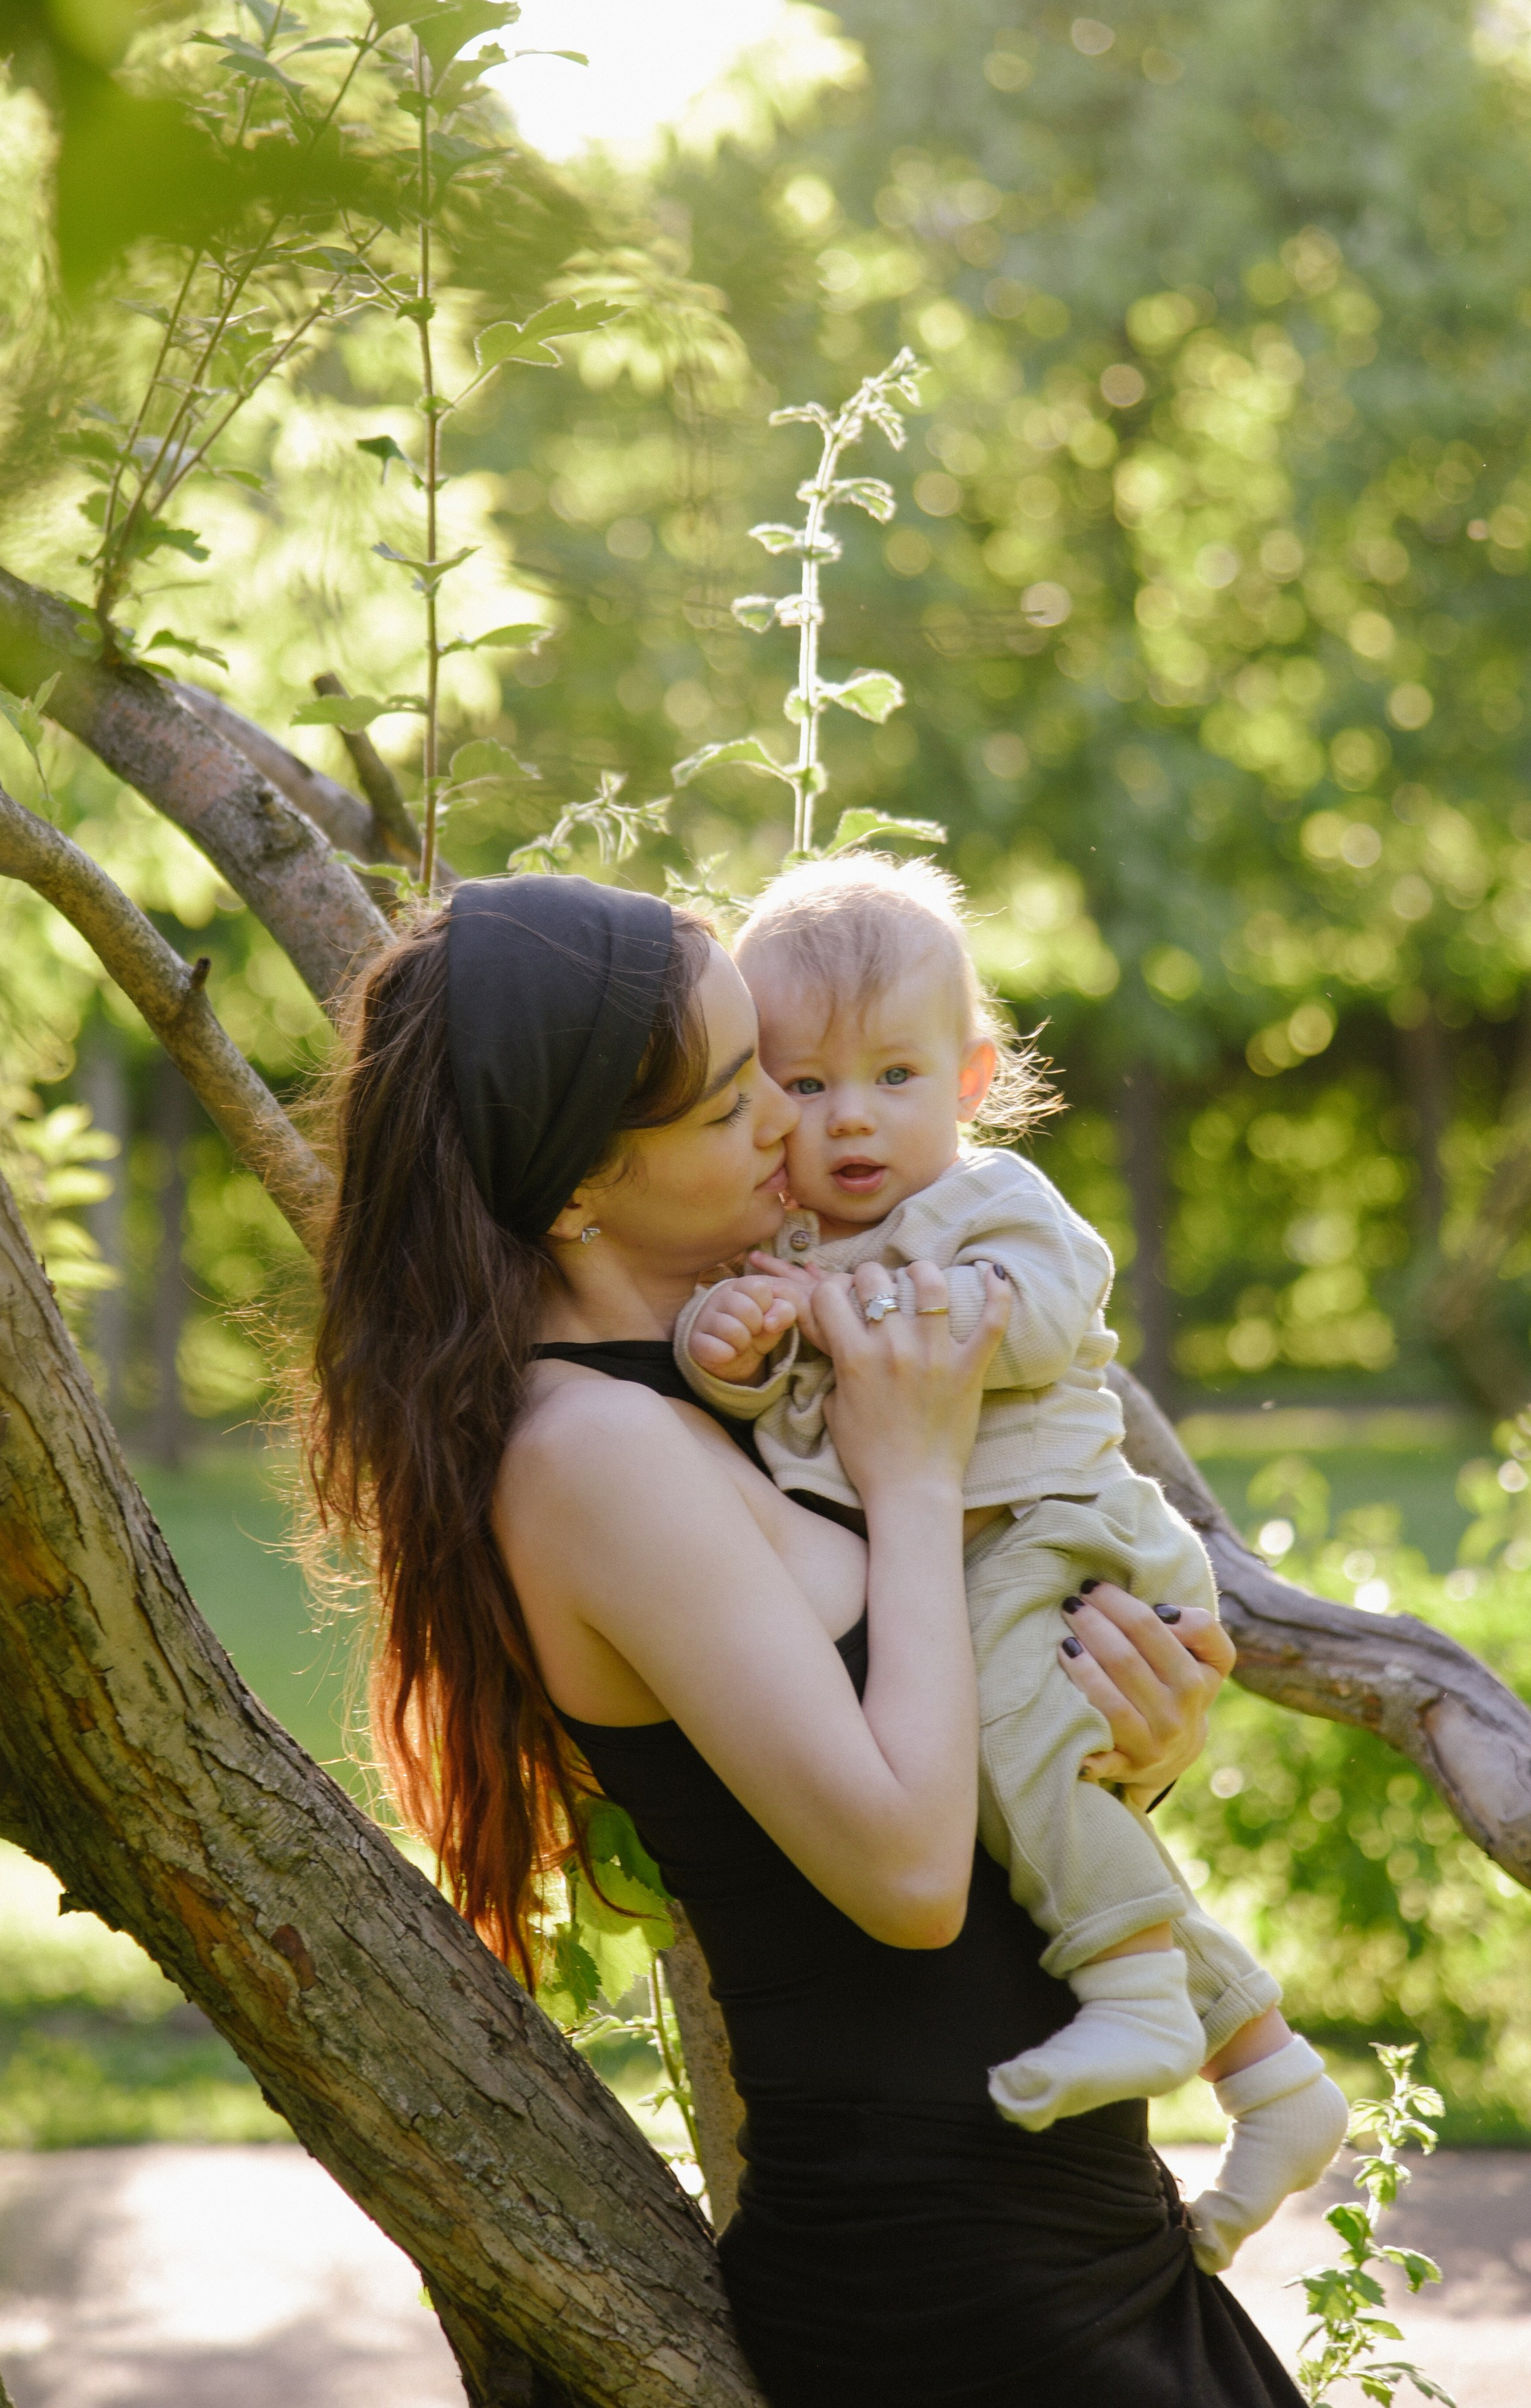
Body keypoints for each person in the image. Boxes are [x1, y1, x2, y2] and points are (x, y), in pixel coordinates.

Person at [309, 872, 1304, 2405]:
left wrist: (1123, 1732)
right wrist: (912, 1471)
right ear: (576, 1184)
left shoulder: (732, 1379)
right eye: (731, 1103)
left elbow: (925, 1753)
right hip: (951, 2284)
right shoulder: (593, 1454)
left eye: (768, 1070)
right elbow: (902, 1881)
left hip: (1060, 2236)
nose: (790, 1122)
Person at [671, 854, 1348, 2271]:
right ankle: (1270, 2072)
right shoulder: (786, 1241)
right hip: (978, 1554)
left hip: (1065, 1530)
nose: (848, 1115)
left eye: (894, 1074)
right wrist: (726, 1349)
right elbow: (778, 1409)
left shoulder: (991, 1207)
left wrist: (850, 1299)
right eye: (802, 1085)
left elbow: (1039, 1321)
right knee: (1006, 1808)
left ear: (972, 1078)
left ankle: (1134, 1992)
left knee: (988, 1746)